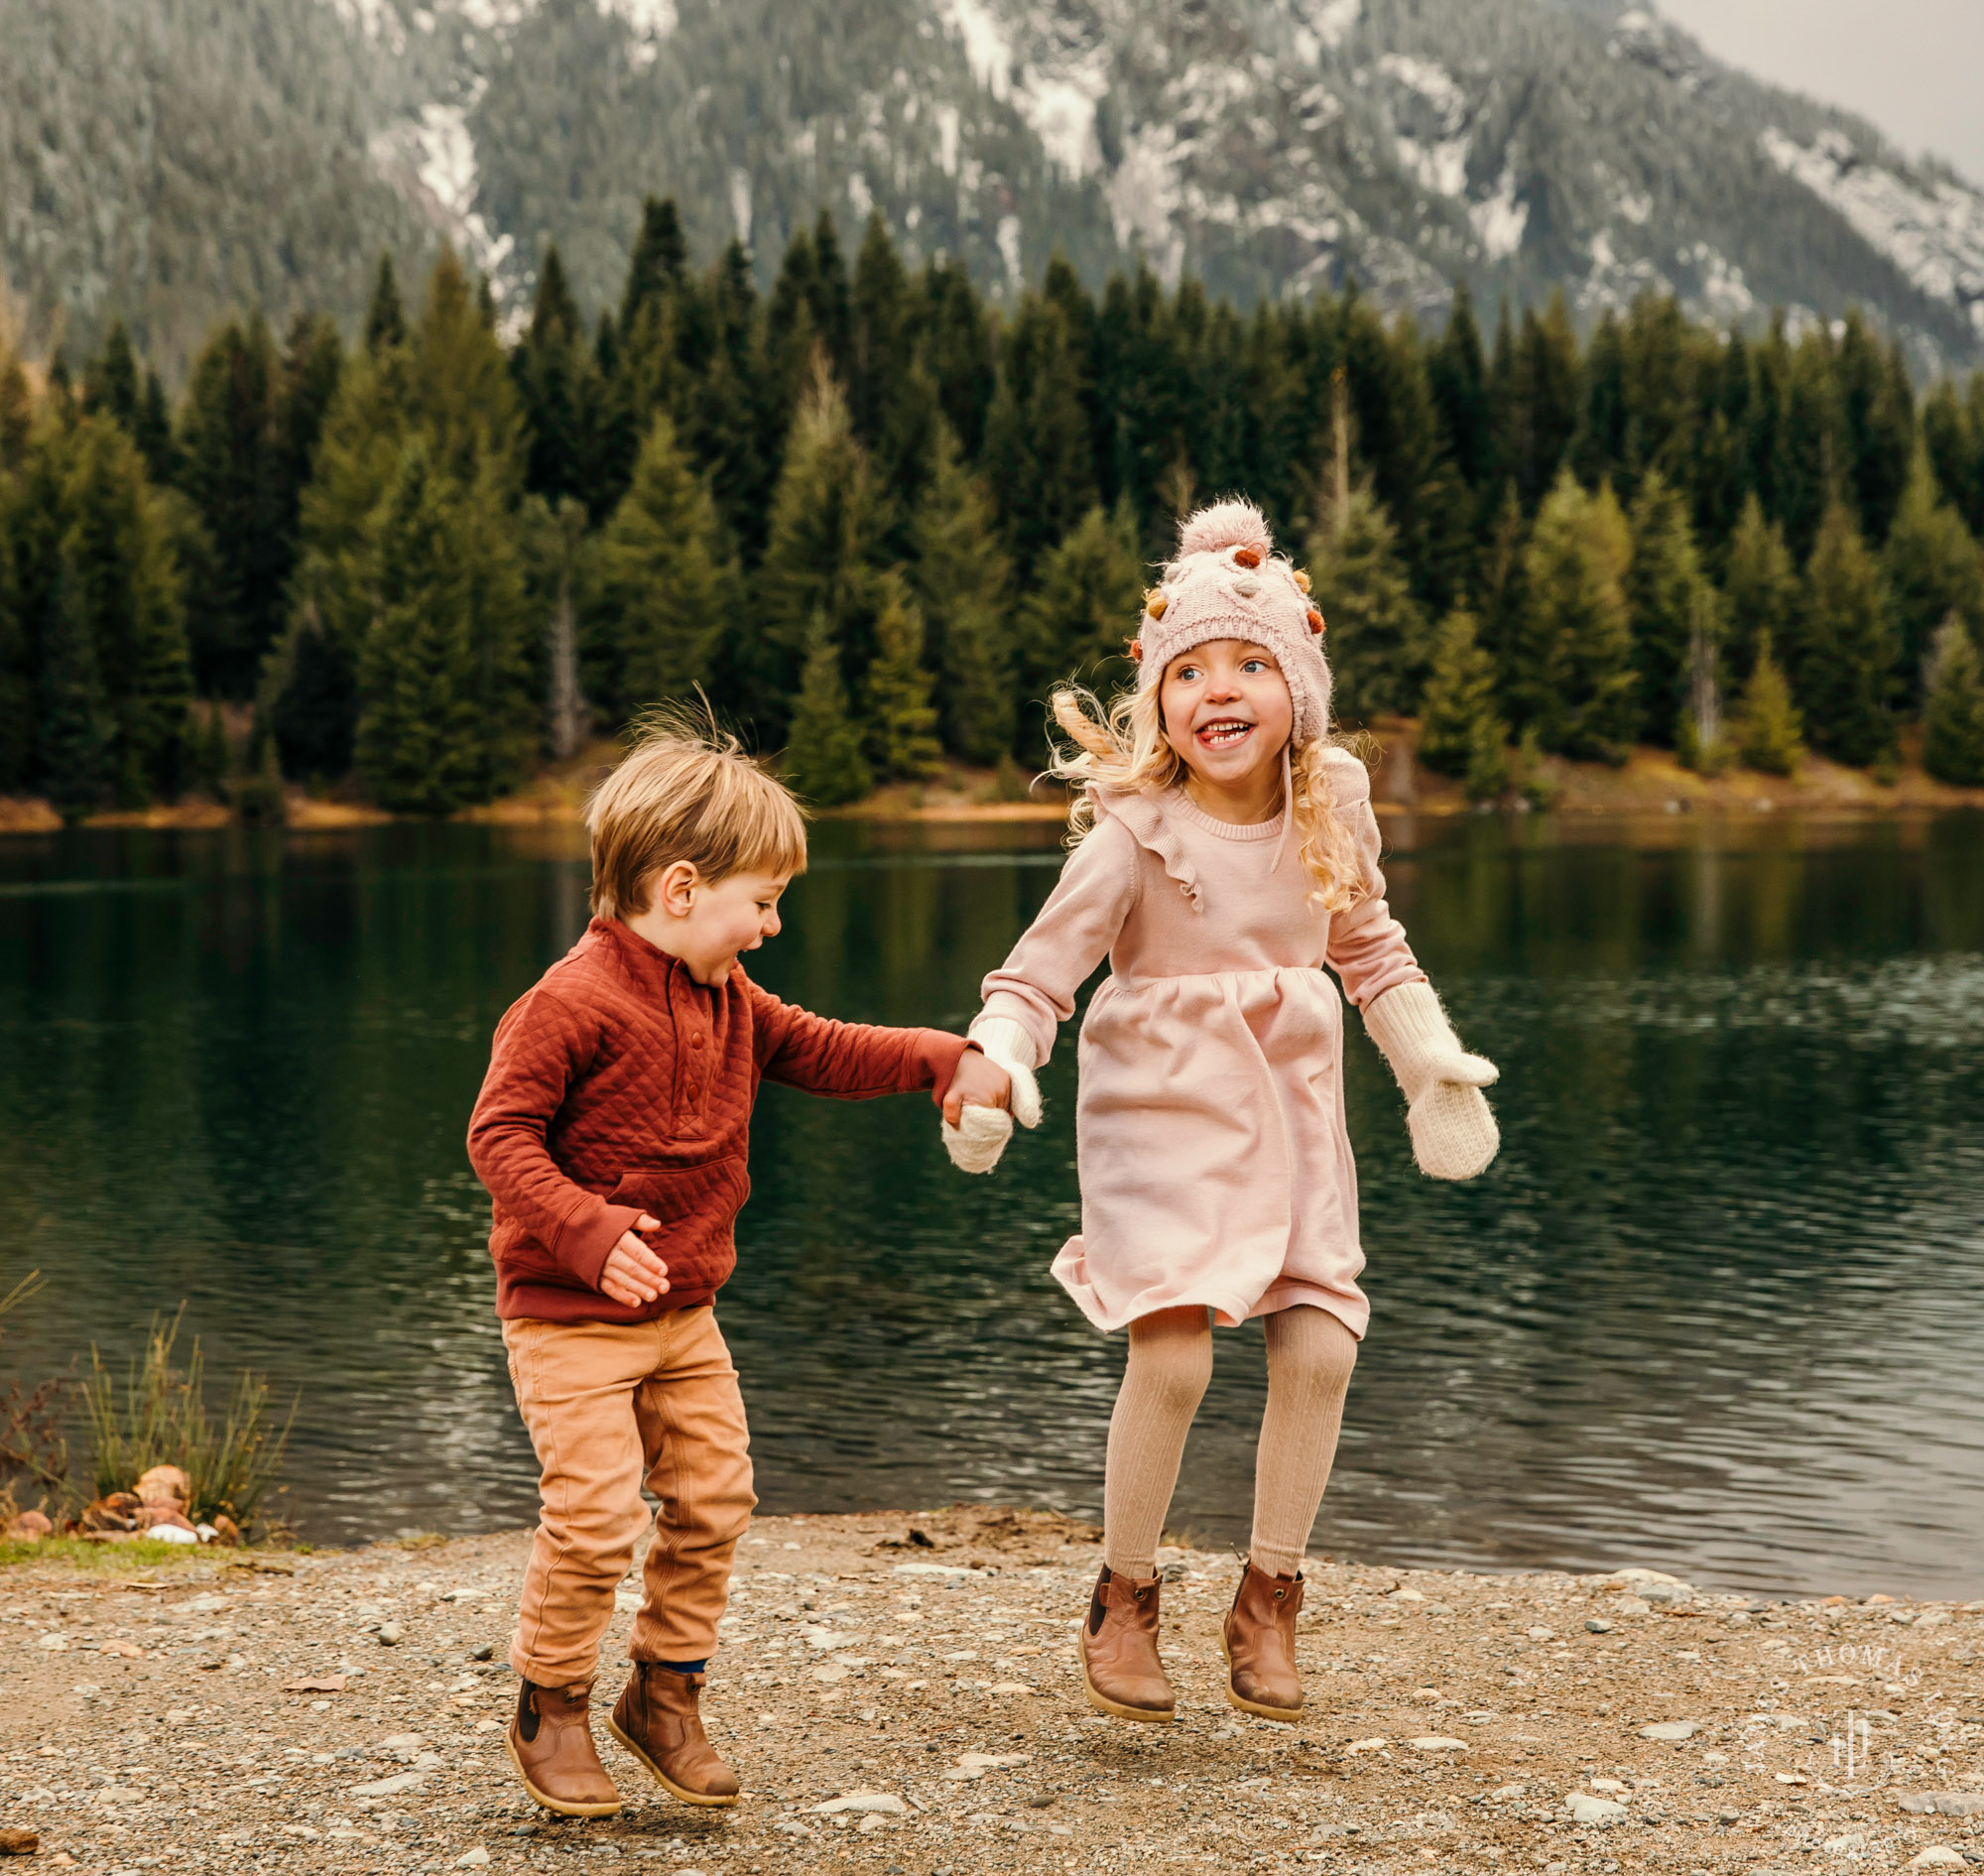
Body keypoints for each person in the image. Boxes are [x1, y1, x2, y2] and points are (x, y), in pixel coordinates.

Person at [941, 499, 1499, 1725]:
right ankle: (1125, 1591)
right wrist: (993, 1061)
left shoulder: (1329, 802)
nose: (1218, 689)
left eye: (1251, 664)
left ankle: (1269, 1595)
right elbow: (1036, 974)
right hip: (1158, 1111)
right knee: (1178, 1351)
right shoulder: (1134, 832)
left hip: (1293, 1108)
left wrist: (1427, 1063)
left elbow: (1370, 947)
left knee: (1318, 1343)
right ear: (1155, 704)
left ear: (1298, 686)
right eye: (1186, 670)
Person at [468, 712, 1010, 1815]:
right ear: (678, 890)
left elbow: (819, 1045)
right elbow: (498, 1137)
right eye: (759, 904)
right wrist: (583, 1228)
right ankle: (552, 1705)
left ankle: (663, 1693)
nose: (768, 928)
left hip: (683, 1313)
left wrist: (941, 1058)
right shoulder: (567, 1002)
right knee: (593, 1513)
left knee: (715, 1497)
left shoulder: (725, 997)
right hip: (569, 1314)